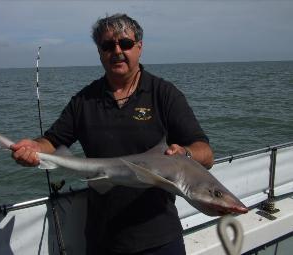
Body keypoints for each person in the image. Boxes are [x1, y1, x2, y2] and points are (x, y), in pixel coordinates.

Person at [11, 13, 214, 255]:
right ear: (100, 52)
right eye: (108, 45)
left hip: (160, 238)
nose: (117, 51)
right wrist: (33, 148)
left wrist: (186, 153)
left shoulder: (164, 94)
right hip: (103, 239)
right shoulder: (84, 101)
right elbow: (52, 142)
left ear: (139, 47)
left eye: (125, 44)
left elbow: (206, 153)